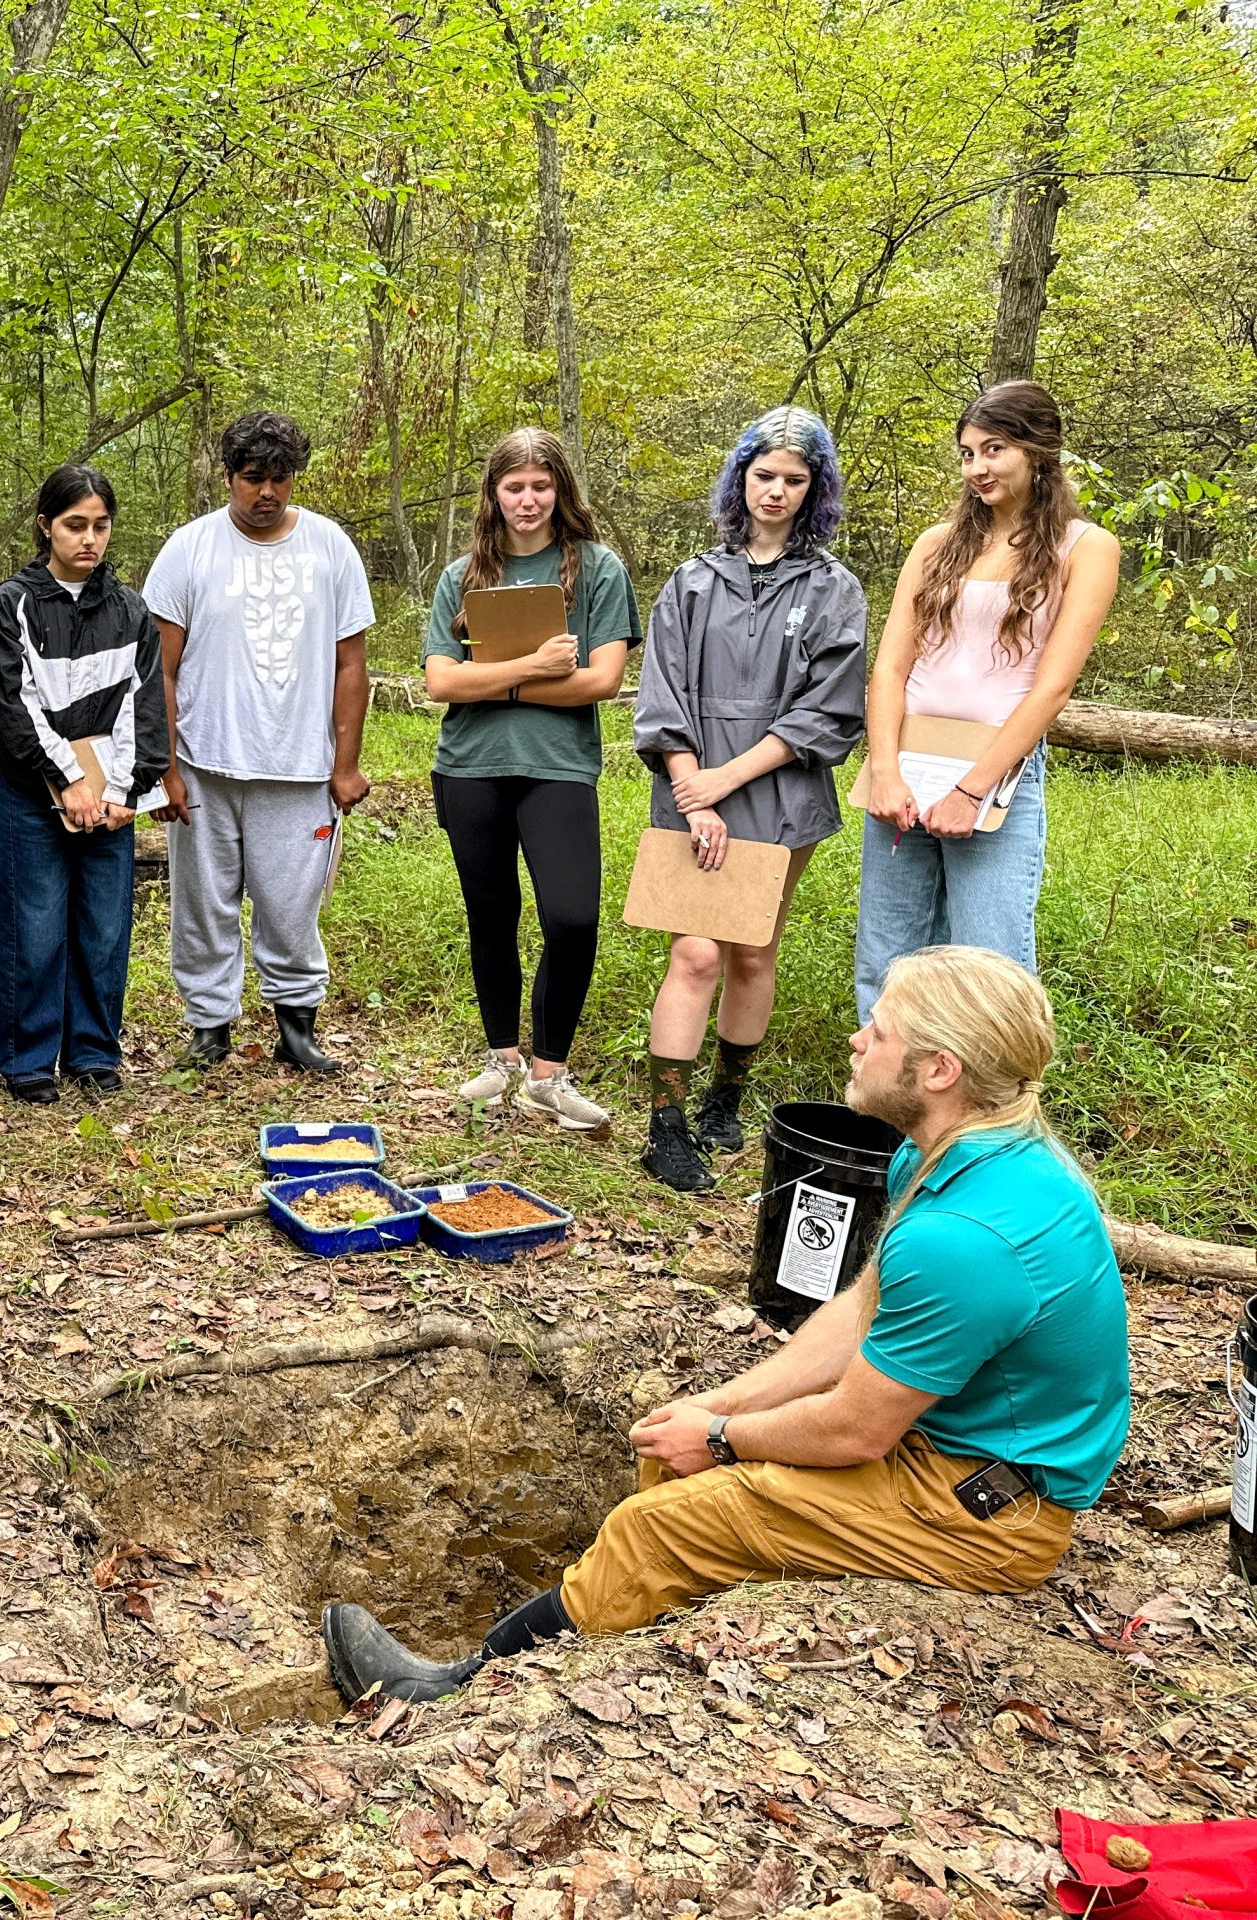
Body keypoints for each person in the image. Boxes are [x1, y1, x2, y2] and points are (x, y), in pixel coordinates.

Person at [323, 946, 1129, 1704]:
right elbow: (860, 1309)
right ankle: (626, 1618)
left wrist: (721, 1440)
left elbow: (855, 1430)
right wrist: (724, 1408)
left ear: (939, 1070)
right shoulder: (948, 1151)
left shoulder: (967, 1242)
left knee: (654, 1527)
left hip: (981, 1513)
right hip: (946, 1450)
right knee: (678, 1454)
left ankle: (455, 1691)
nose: (857, 1037)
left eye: (878, 1029)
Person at [634, 408, 868, 1191]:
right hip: (688, 784)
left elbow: (827, 711)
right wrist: (691, 791)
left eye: (794, 480)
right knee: (695, 950)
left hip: (780, 792)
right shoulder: (693, 580)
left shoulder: (834, 589)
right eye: (764, 475)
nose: (776, 491)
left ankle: (724, 1101)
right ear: (741, 479)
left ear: (815, 490)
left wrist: (725, 783)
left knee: (753, 948)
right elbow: (663, 689)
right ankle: (665, 1125)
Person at [854, 382, 1118, 1017]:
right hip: (906, 766)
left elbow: (1053, 685)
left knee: (988, 961)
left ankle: (992, 1113)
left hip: (998, 774)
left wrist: (974, 789)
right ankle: (887, 1108)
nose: (976, 468)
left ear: (1038, 451)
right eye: (967, 453)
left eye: (993, 450)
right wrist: (885, 770)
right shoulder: (935, 544)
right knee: (888, 956)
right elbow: (890, 665)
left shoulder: (1086, 548)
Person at [142, 411, 373, 1074]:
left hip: (300, 765)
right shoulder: (189, 549)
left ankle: (296, 1028)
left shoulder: (329, 548)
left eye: (280, 478)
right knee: (203, 903)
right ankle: (209, 1027)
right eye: (252, 478)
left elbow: (351, 662)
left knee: (291, 905)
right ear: (228, 478)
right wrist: (165, 769)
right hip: (204, 759)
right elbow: (160, 667)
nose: (266, 491)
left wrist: (347, 762)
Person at [423, 427, 640, 1130]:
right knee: (491, 915)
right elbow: (438, 681)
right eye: (513, 487)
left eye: (540, 486)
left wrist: (487, 684)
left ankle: (551, 1074)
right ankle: (503, 1061)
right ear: (493, 494)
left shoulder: (598, 569)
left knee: (571, 917)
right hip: (470, 767)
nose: (527, 499)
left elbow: (602, 682)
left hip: (558, 768)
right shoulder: (462, 577)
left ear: (560, 491)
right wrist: (532, 671)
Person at [0, 465, 165, 1103]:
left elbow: (147, 708)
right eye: (74, 525)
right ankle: (28, 1060)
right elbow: (10, 705)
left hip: (110, 798)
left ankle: (92, 1053)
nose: (89, 539)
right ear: (46, 527)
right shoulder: (14, 604)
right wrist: (66, 780)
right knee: (30, 928)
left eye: (101, 526)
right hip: (35, 796)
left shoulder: (131, 610)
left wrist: (123, 791)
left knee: (104, 929)